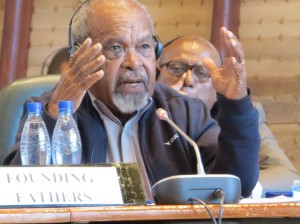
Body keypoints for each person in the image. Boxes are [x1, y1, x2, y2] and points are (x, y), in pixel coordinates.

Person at [4, 0, 260, 199]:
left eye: (144, 47)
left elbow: (238, 184)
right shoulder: (50, 112)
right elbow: (15, 196)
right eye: (116, 48)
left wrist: (237, 106)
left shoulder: (181, 112)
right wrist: (57, 113)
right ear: (80, 56)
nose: (134, 63)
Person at [157, 35, 299, 196]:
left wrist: (244, 187)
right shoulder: (144, 112)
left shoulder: (237, 116)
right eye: (176, 68)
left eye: (202, 73)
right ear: (157, 73)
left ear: (217, 85)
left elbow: (286, 175)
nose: (188, 80)